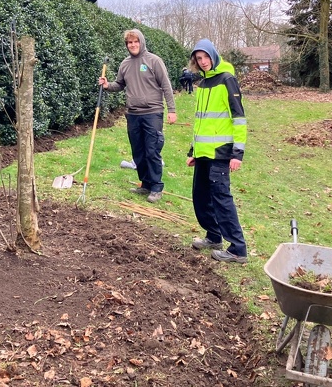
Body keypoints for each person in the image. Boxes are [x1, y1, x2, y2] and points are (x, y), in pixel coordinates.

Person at [186, 39, 248, 264]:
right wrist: (193, 150)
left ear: (214, 55)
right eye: (198, 59)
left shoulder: (227, 79)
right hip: (203, 153)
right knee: (201, 197)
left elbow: (238, 118)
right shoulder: (203, 84)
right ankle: (214, 237)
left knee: (221, 199)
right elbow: (201, 121)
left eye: (206, 57)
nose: (203, 62)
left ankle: (238, 249)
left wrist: (237, 153)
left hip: (221, 153)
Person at [99, 28, 176, 203]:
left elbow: (166, 86)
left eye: (135, 41)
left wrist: (172, 110)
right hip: (133, 114)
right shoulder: (125, 64)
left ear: (141, 42)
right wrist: (106, 85)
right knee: (138, 152)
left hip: (152, 113)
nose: (133, 45)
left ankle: (156, 187)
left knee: (152, 150)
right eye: (129, 42)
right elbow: (119, 84)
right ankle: (146, 185)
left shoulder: (154, 61)